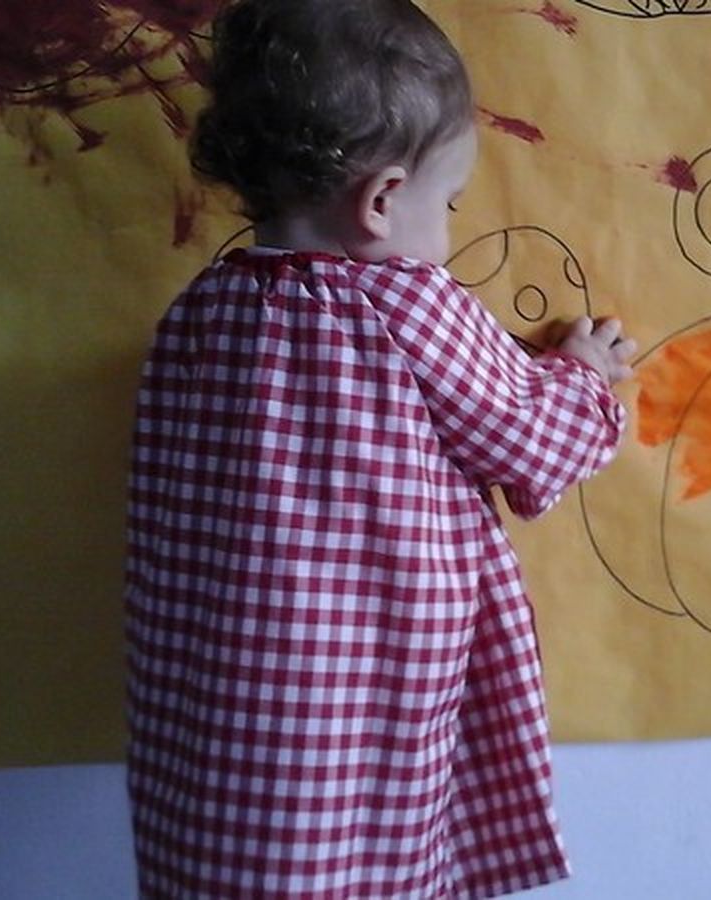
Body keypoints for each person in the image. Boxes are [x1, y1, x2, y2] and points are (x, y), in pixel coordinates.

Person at [122, 1, 635, 896]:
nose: (447, 228)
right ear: (385, 199)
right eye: (450, 202)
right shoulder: (406, 305)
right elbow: (528, 444)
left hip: (221, 724)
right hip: (355, 720)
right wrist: (583, 373)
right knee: (360, 868)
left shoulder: (199, 314)